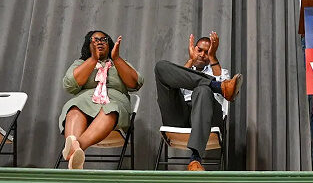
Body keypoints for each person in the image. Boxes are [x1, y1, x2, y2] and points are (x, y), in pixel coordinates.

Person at [154, 32, 242, 171]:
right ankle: (218, 87)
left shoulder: (219, 70)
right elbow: (174, 85)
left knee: (202, 90)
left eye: (207, 52)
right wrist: (190, 61)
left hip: (208, 115)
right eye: (199, 50)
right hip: (181, 116)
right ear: (193, 49)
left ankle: (195, 159)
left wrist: (213, 57)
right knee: (160, 66)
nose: (202, 54)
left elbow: (223, 99)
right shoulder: (181, 71)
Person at [59, 30, 143, 169]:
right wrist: (93, 59)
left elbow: (135, 83)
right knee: (74, 107)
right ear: (88, 45)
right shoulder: (81, 63)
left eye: (103, 39)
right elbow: (69, 84)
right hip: (85, 102)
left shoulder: (119, 63)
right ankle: (76, 154)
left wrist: (116, 58)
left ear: (109, 43)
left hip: (114, 104)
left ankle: (75, 149)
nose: (99, 42)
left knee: (111, 109)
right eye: (95, 40)